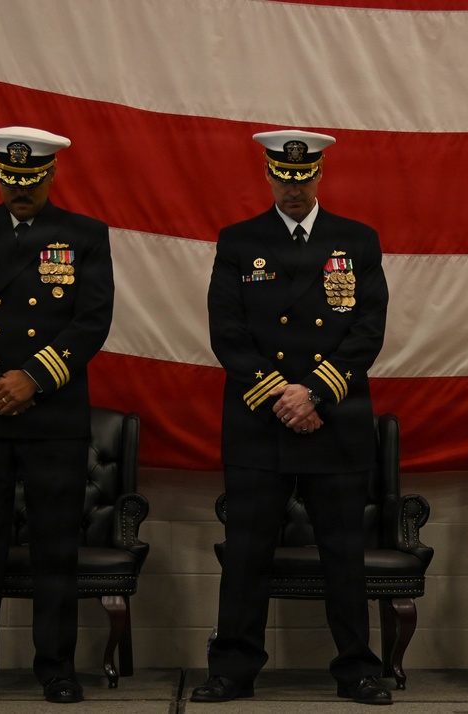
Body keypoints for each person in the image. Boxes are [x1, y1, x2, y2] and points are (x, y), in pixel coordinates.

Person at [194, 129, 391, 705]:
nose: (294, 186)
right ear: (268, 175)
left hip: (335, 422)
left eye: (303, 177)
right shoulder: (239, 241)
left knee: (344, 559)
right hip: (260, 421)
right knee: (247, 555)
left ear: (319, 176)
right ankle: (233, 670)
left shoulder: (356, 240)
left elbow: (368, 331)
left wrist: (316, 396)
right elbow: (226, 331)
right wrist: (281, 394)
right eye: (283, 176)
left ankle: (357, 670)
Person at [0, 127, 114, 704]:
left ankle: (56, 668)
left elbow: (92, 319)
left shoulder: (83, 235)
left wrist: (32, 377)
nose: (20, 190)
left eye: (31, 180)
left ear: (51, 175)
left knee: (54, 547)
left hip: (51, 414)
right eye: (11, 179)